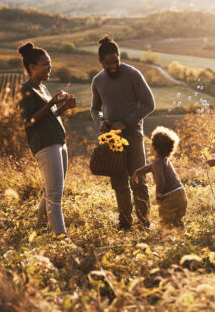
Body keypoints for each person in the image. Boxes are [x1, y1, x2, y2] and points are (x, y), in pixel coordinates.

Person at [91, 36, 155, 231]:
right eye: (108, 63)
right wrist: (100, 121)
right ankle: (125, 223)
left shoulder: (133, 74)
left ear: (119, 56)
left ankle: (144, 224)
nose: (113, 66)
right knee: (119, 182)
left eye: (116, 61)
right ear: (100, 61)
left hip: (134, 134)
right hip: (112, 139)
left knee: (138, 179)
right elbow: (94, 109)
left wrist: (125, 123)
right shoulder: (98, 81)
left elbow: (149, 104)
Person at [17, 42, 76, 237]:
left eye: (50, 64)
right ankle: (61, 237)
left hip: (58, 142)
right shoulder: (25, 90)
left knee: (53, 189)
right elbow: (29, 121)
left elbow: (49, 116)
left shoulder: (43, 88)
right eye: (45, 64)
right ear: (32, 67)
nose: (50, 68)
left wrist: (63, 108)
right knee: (54, 195)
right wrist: (51, 103)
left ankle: (40, 227)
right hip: (45, 145)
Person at [131, 127, 187, 231]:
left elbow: (161, 181)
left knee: (166, 221)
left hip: (170, 197)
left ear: (155, 147)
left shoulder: (157, 163)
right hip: (181, 194)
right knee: (177, 220)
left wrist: (159, 194)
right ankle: (181, 238)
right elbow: (149, 167)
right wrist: (137, 172)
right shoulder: (163, 160)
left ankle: (167, 240)